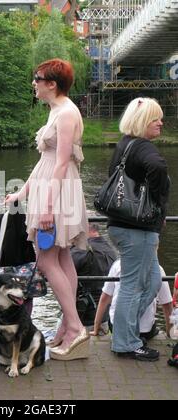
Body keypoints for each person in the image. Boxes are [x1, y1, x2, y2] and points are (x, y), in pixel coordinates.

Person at [5, 58, 89, 361]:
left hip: (58, 193)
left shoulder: (66, 112)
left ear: (51, 83)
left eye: (37, 78)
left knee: (45, 258)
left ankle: (77, 328)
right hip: (51, 190)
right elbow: (46, 161)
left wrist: (48, 207)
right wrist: (23, 191)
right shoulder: (57, 111)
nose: (34, 83)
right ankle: (68, 328)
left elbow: (63, 163)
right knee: (62, 256)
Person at [106, 97, 170, 362]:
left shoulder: (125, 145)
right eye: (156, 118)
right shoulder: (143, 148)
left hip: (124, 226)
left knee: (154, 281)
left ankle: (125, 329)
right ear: (144, 121)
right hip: (137, 230)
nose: (161, 122)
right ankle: (126, 342)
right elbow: (158, 167)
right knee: (132, 286)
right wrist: (157, 204)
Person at [90, 259, 173, 339]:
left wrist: (96, 328)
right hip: (144, 332)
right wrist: (169, 333)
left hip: (117, 328)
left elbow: (105, 297)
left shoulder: (118, 265)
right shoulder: (158, 269)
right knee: (152, 324)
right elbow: (167, 304)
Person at [71, 223, 117, 330]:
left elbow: (60, 274)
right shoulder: (111, 249)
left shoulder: (80, 250)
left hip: (83, 317)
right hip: (105, 316)